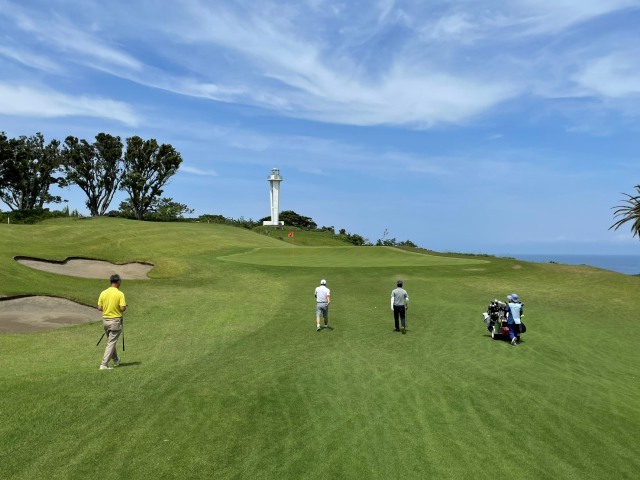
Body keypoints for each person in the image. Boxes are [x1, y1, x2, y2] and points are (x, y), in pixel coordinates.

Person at [97, 274, 127, 369]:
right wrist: (120, 307)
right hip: (115, 322)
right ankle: (104, 364)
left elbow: (99, 307)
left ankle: (116, 360)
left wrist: (108, 308)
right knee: (111, 343)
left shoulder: (103, 293)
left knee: (111, 341)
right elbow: (122, 308)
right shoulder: (120, 294)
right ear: (118, 282)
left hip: (105, 321)